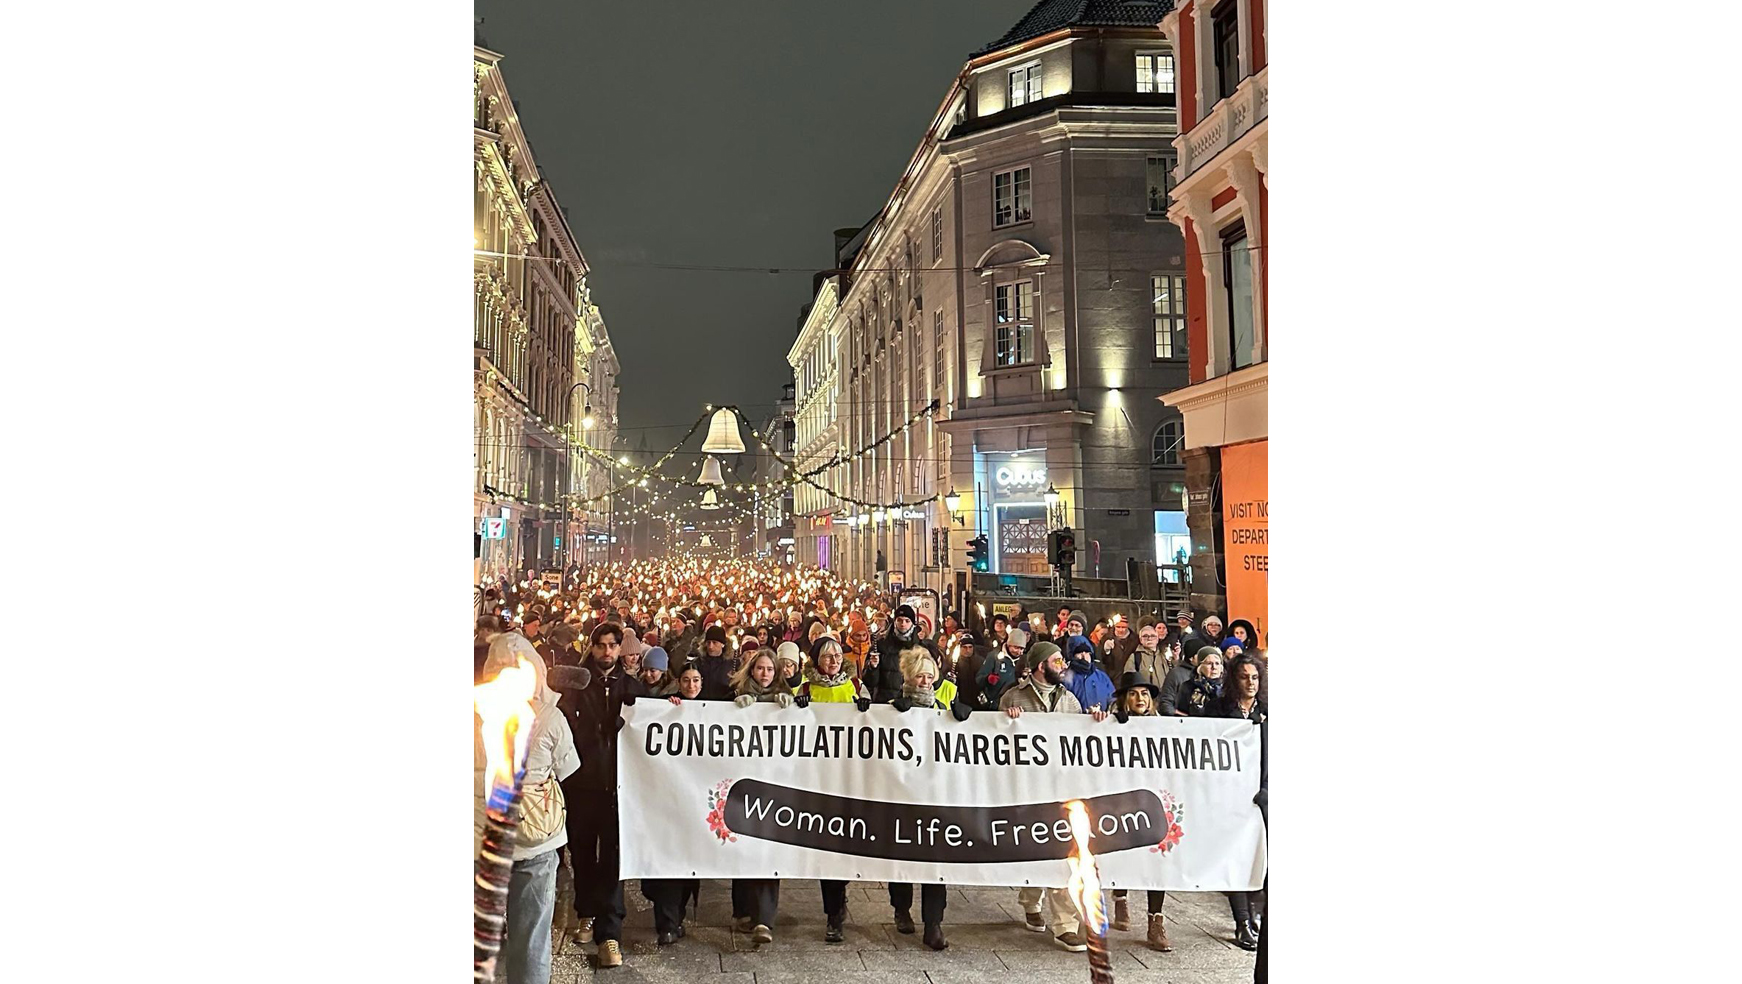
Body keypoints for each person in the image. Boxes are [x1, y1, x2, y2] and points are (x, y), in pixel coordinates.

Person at [474, 635, 580, 984]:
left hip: (479, 842)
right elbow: (568, 768)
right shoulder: (550, 717)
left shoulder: (474, 714)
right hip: (534, 840)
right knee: (531, 936)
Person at [551, 622, 632, 968]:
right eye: (601, 645)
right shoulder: (577, 684)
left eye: (612, 645)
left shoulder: (630, 686)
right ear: (593, 647)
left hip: (618, 786)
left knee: (613, 857)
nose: (606, 652)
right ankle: (586, 911)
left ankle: (609, 931)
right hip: (582, 784)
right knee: (583, 853)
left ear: (620, 648)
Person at [999, 641, 1089, 951]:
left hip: (1061, 787)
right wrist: (1008, 719)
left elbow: (1080, 737)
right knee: (1034, 847)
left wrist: (1095, 720)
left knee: (1061, 852)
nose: (1063, 665)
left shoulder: (1069, 699)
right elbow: (997, 740)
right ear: (1041, 666)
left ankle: (1065, 924)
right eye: (1057, 660)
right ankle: (1030, 900)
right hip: (1028, 787)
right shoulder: (1014, 696)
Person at [884, 646, 970, 949]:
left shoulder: (944, 704)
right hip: (903, 794)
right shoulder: (893, 707)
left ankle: (933, 923)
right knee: (903, 855)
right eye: (919, 676)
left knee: (936, 862)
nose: (925, 682)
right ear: (908, 677)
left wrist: (963, 719)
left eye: (929, 676)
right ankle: (901, 908)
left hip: (936, 795)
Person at [796, 636, 867, 943]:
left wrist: (866, 708)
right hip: (818, 779)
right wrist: (796, 708)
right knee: (828, 846)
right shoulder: (806, 689)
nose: (834, 661)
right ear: (816, 661)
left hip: (849, 777)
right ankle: (833, 913)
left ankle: (839, 898)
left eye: (838, 655)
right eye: (827, 656)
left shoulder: (855, 686)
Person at [729, 649, 792, 944]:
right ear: (751, 670)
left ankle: (764, 918)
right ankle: (743, 911)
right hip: (743, 785)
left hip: (773, 786)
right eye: (760, 669)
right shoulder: (735, 697)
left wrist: (792, 708)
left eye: (769, 669)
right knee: (743, 847)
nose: (765, 674)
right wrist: (735, 709)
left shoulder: (785, 699)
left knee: (769, 851)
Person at [1107, 675, 1174, 952]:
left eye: (1144, 694)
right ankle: (1120, 897)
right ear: (1125, 698)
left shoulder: (1162, 726)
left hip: (1153, 797)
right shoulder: (1112, 724)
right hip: (1122, 797)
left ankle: (1155, 920)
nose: (1140, 699)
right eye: (1133, 694)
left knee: (1157, 856)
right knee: (1124, 850)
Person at [1207, 654, 1267, 951]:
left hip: (1261, 796)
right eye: (1244, 677)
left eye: (1255, 677)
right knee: (1235, 857)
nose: (1250, 683)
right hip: (1228, 795)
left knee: (1261, 858)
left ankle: (1257, 915)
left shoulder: (1268, 711)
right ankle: (1242, 920)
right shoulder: (1217, 710)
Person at [645, 662, 705, 946]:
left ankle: (676, 917)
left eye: (696, 680)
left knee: (690, 864)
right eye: (687, 680)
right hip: (669, 800)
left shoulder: (713, 709)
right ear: (679, 682)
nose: (691, 685)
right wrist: (665, 709)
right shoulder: (665, 706)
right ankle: (667, 923)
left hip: (697, 802)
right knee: (669, 861)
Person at [866, 604, 931, 703]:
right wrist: (872, 667)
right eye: (899, 620)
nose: (903, 624)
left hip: (912, 703)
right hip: (885, 703)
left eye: (907, 621)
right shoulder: (880, 646)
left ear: (912, 624)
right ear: (895, 622)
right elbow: (869, 682)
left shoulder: (920, 648)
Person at [1062, 635, 1115, 713]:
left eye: (1087, 652)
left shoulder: (1102, 677)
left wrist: (1115, 710)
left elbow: (1113, 699)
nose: (1084, 656)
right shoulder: (1066, 678)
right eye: (1079, 653)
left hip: (1102, 719)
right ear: (1072, 656)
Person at [691, 625, 735, 701]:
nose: (710, 646)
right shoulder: (697, 663)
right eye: (708, 642)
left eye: (715, 643)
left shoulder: (733, 664)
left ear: (722, 644)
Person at [1179, 649, 1226, 716]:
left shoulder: (1228, 687)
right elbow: (1181, 714)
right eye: (1209, 663)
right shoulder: (1188, 687)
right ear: (1200, 667)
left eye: (1217, 663)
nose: (1214, 667)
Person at [1123, 622, 1171, 689]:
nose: (1149, 638)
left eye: (1153, 636)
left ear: (1157, 639)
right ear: (1141, 640)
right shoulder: (1135, 657)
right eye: (1145, 636)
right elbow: (1129, 680)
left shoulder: (1165, 655)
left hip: (1166, 694)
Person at [1102, 614, 1139, 679]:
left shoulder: (1135, 640)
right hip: (1112, 678)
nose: (1121, 630)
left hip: (1130, 677)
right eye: (1118, 627)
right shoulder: (1106, 638)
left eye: (1123, 627)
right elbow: (1103, 661)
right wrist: (1106, 651)